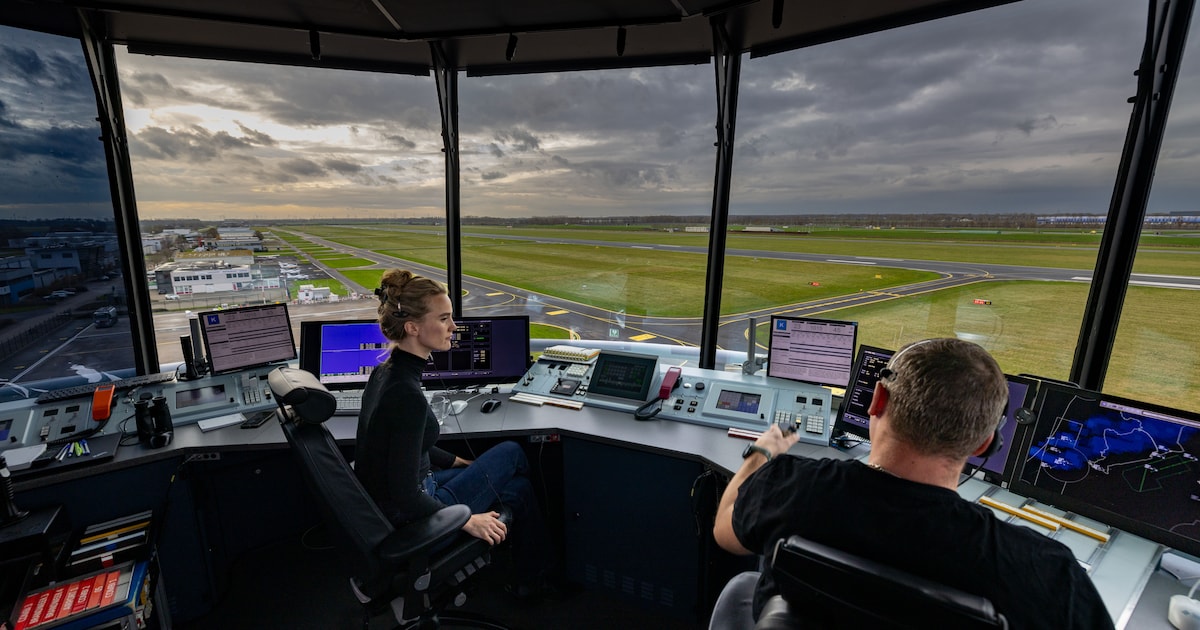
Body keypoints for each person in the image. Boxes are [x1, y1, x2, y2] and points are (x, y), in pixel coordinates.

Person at [712, 338, 1113, 629]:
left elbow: (726, 532)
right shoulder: (1048, 572)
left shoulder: (793, 484)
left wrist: (761, 454)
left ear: (877, 402)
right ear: (985, 444)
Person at [354, 268, 550, 595]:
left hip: (391, 507)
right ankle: (535, 582)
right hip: (416, 519)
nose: (454, 327)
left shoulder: (384, 374)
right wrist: (467, 521)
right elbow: (406, 495)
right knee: (514, 454)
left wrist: (458, 462)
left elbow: (405, 446)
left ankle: (531, 580)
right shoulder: (407, 396)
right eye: (444, 318)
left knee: (516, 490)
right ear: (413, 327)